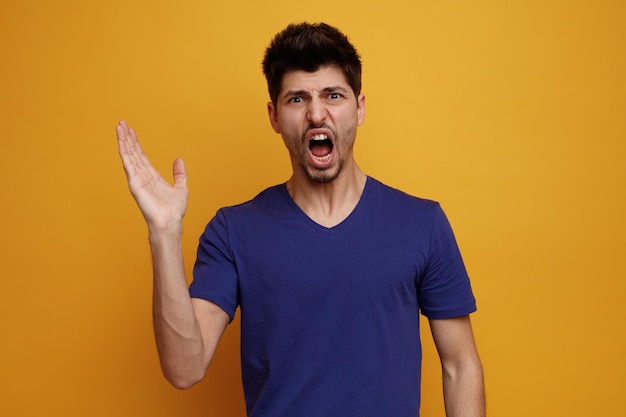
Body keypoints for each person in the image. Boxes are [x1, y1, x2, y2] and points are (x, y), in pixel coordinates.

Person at [116, 22, 485, 417]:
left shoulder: (421, 224)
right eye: (297, 99)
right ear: (275, 116)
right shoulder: (233, 232)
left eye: (333, 95)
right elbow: (184, 368)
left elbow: (459, 365)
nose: (316, 113)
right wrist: (164, 233)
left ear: (359, 108)